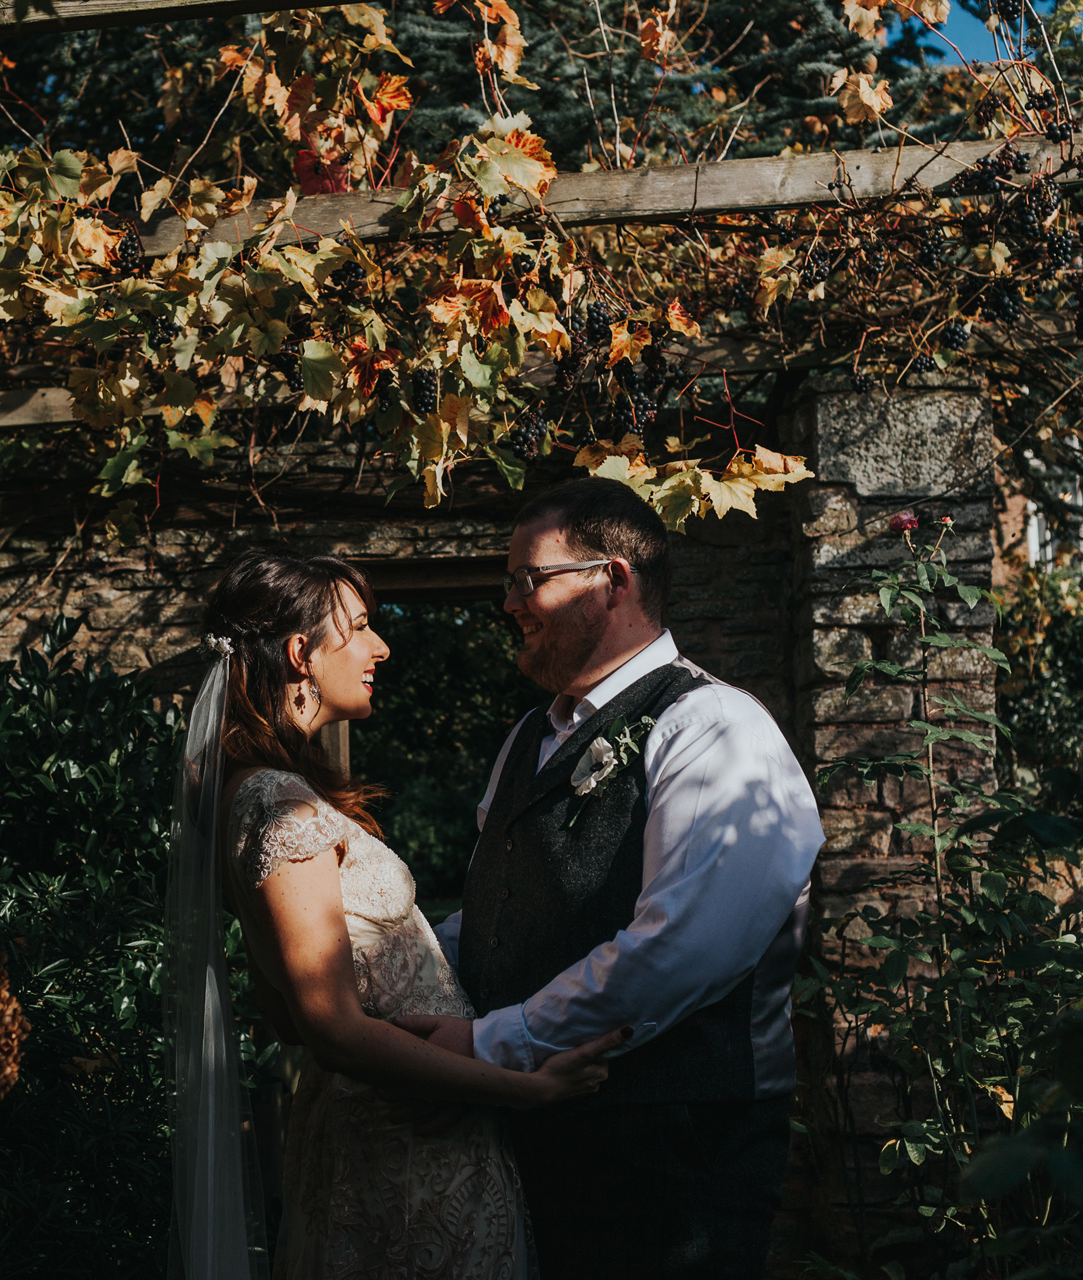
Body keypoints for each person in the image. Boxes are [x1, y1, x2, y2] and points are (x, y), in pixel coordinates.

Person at [400, 477, 826, 1280]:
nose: (510, 604)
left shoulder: (715, 729)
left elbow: (680, 952)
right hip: (536, 1132)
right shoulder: (529, 736)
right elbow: (495, 916)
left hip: (673, 1151)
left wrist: (495, 1045)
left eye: (530, 580)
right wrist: (400, 995)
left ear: (613, 581)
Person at [167, 548, 628, 1280]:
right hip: (403, 1146)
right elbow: (329, 1029)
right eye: (357, 628)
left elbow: (285, 1014)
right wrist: (523, 1089)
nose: (381, 645)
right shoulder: (278, 803)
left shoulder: (254, 793)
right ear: (300, 653)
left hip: (401, 1118)